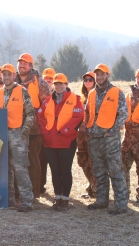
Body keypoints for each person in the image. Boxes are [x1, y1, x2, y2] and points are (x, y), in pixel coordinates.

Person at [85, 64, 128, 215]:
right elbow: (87, 113)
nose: (99, 77)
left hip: (109, 139)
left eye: (102, 74)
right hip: (94, 139)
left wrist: (112, 131)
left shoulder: (116, 92)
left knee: (115, 171)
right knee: (99, 171)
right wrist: (88, 130)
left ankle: (121, 204)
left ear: (108, 75)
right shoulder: (91, 93)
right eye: (97, 74)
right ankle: (101, 200)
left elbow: (123, 114)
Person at [0, 64, 35, 212]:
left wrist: (24, 132)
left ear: (14, 75)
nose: (6, 77)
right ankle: (8, 200)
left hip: (17, 135)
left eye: (9, 74)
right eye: (4, 75)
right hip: (1, 134)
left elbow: (31, 113)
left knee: (20, 168)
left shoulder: (22, 91)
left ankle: (27, 201)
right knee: (5, 168)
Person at [38, 73, 84, 210]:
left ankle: (65, 198)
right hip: (49, 141)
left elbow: (78, 116)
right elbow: (40, 116)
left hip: (66, 141)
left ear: (66, 84)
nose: (58, 86)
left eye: (61, 84)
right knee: (55, 170)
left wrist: (66, 130)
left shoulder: (75, 99)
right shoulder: (47, 100)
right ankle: (57, 197)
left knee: (65, 170)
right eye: (56, 84)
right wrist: (45, 132)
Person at [15, 53, 51, 200]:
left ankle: (34, 193)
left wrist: (38, 123)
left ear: (31, 66)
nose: (22, 65)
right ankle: (17, 193)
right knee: (16, 163)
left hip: (33, 131)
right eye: (20, 63)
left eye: (25, 63)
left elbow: (48, 106)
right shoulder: (11, 81)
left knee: (33, 162)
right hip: (14, 129)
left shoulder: (40, 83)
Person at [122, 68, 139, 204]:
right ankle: (124, 193)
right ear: (135, 78)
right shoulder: (128, 95)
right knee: (123, 166)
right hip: (127, 138)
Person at [77, 71, 97, 199]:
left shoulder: (98, 96)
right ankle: (91, 185)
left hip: (93, 134)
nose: (88, 82)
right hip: (81, 134)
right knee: (82, 160)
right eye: (86, 80)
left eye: (91, 79)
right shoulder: (80, 98)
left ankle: (96, 189)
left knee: (93, 161)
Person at [39, 67, 56, 194]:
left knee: (56, 162)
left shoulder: (60, 93)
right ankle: (40, 185)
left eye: (51, 78)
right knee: (41, 160)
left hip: (56, 132)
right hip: (42, 131)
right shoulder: (41, 93)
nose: (48, 80)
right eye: (46, 78)